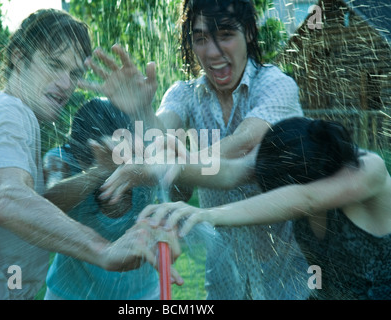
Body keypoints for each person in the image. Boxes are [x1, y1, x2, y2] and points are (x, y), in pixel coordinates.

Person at [0, 9, 175, 300]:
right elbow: (7, 199)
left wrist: (143, 110)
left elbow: (175, 170)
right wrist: (103, 250)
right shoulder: (7, 112)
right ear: (18, 56)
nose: (66, 84)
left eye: (75, 73)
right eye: (54, 65)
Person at [87, 0, 310, 299]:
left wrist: (174, 164)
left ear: (250, 34)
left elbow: (244, 142)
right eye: (201, 38)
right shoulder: (184, 93)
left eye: (226, 35)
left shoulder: (276, 85)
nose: (213, 52)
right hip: (223, 270)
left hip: (288, 269)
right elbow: (160, 134)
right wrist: (141, 111)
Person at [139, 117, 391, 300]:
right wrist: (164, 167)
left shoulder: (369, 169)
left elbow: (306, 198)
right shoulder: (299, 158)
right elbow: (232, 172)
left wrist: (209, 214)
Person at [42, 98, 178, 300]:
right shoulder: (62, 158)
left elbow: (181, 193)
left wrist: (165, 166)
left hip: (140, 295)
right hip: (71, 293)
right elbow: (48, 203)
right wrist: (99, 171)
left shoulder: (142, 160)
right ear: (78, 149)